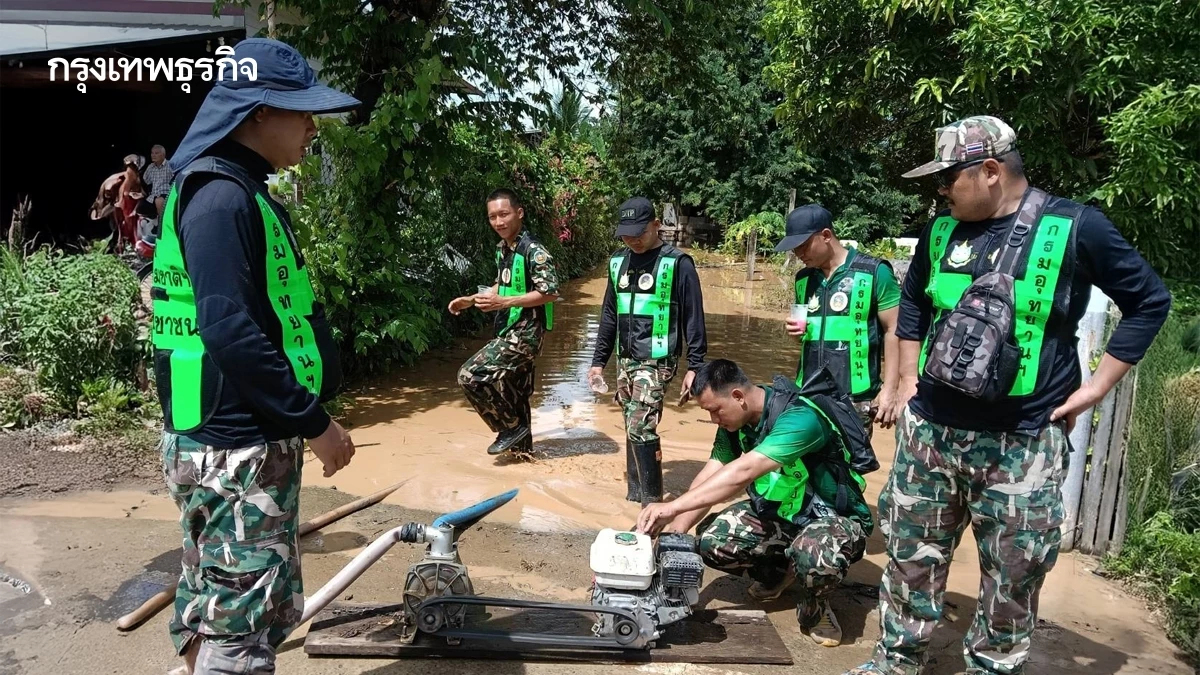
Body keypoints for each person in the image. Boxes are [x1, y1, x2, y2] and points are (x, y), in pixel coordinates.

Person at [847, 116, 1172, 675]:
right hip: (931, 434)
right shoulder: (940, 232)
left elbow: (1149, 302)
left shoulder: (1076, 227)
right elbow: (914, 305)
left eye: (948, 179)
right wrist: (903, 381)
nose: (941, 191)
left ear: (991, 171)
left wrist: (1094, 390)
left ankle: (992, 667)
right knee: (909, 558)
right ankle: (896, 661)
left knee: (1014, 573)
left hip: (1021, 441)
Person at [150, 38, 360, 675]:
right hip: (235, 448)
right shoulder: (221, 198)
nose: (312, 129)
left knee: (212, 599)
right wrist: (315, 423)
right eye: (301, 113)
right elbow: (231, 331)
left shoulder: (239, 189)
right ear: (257, 113)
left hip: (228, 440)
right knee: (241, 624)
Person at [636, 359, 874, 648]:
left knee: (815, 555)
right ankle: (779, 574)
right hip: (785, 515)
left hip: (833, 520)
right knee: (712, 540)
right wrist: (675, 529)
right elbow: (714, 472)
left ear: (738, 396)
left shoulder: (800, 419)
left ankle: (816, 608)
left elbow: (744, 471)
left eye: (714, 410)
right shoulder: (736, 421)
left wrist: (671, 506)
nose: (713, 420)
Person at [589, 197, 707, 504]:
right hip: (625, 357)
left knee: (641, 423)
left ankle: (651, 502)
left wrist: (696, 365)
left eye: (639, 233)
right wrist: (598, 362)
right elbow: (609, 316)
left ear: (656, 225)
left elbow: (694, 317)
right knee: (631, 420)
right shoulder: (618, 262)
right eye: (626, 234)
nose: (633, 240)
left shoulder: (677, 263)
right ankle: (634, 493)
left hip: (657, 358)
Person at [449, 189, 560, 456]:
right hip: (510, 328)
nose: (498, 222)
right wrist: (473, 299)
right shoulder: (503, 250)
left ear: (519, 213)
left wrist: (504, 304)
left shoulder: (534, 250)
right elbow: (504, 285)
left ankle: (510, 428)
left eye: (504, 214)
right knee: (515, 396)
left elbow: (550, 292)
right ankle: (524, 458)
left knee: (470, 375)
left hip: (525, 335)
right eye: (492, 217)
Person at [778, 203, 902, 438]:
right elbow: (806, 338)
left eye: (803, 246)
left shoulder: (874, 272)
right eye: (795, 249)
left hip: (855, 397)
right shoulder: (804, 279)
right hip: (809, 393)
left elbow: (894, 329)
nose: (799, 254)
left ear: (826, 235)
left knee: (850, 470)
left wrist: (890, 389)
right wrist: (794, 335)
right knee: (806, 469)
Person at [143, 143, 175, 218]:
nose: (153, 155)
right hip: (153, 195)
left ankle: (162, 225)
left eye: (156, 153)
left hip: (167, 194)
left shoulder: (170, 165)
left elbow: (175, 179)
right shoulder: (150, 167)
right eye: (152, 153)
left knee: (159, 201)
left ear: (163, 155)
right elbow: (147, 181)